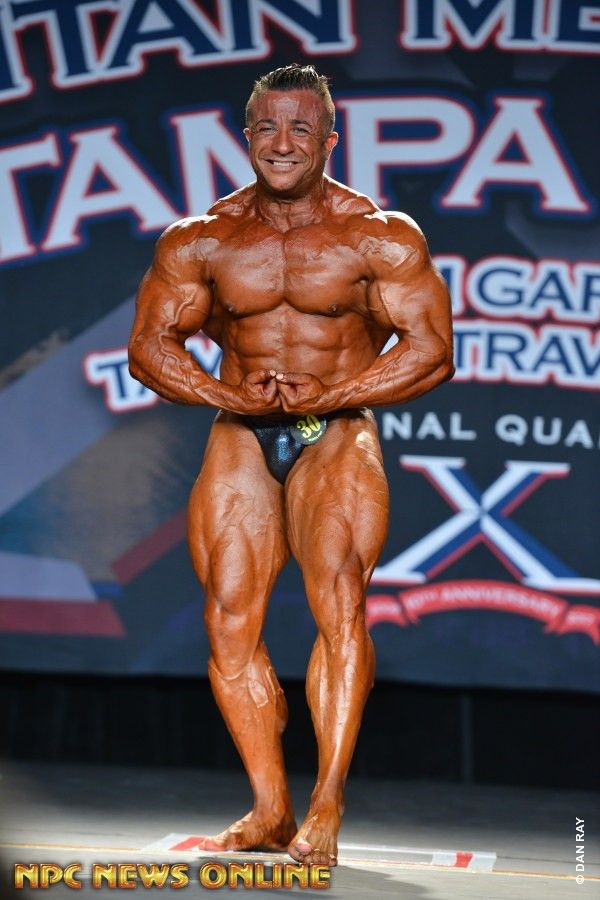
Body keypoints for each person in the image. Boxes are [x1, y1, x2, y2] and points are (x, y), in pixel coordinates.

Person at [128, 64, 453, 866]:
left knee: (339, 599)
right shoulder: (201, 238)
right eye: (267, 127)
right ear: (246, 137)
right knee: (227, 619)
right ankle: (270, 806)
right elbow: (149, 347)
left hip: (336, 429)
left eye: (301, 128)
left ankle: (326, 804)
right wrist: (223, 394)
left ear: (329, 140)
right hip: (241, 429)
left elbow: (432, 350)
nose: (282, 143)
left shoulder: (378, 235)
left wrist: (337, 390)